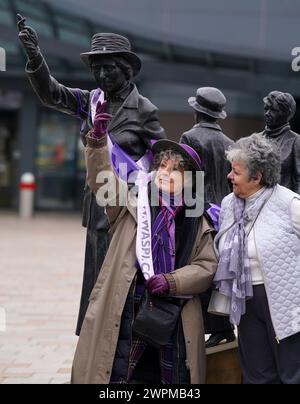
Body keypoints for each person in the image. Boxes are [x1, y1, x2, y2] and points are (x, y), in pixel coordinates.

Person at [17, 14, 165, 335]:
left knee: (124, 282)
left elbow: (163, 162)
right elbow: (51, 94)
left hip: (128, 213)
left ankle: (122, 342)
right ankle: (95, 340)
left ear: (125, 69)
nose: (100, 74)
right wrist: (35, 57)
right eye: (96, 67)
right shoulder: (90, 102)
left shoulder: (144, 110)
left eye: (108, 67)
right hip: (97, 210)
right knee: (96, 281)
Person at [71, 101, 218, 384]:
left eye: (174, 170)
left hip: (174, 318)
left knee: (169, 379)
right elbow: (102, 183)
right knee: (120, 377)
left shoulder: (198, 219)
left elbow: (206, 266)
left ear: (189, 180)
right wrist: (98, 142)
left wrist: (173, 281)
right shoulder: (130, 203)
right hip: (126, 308)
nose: (163, 172)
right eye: (161, 165)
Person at [213, 133, 300, 384]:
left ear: (257, 176)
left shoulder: (288, 203)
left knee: (291, 373)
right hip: (244, 298)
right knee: (256, 374)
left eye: (236, 172)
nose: (230, 176)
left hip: (285, 301)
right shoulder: (230, 203)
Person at [180, 87, 235, 348]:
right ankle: (222, 326)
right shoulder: (230, 144)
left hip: (195, 213)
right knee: (218, 271)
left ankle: (200, 326)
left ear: (196, 111)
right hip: (222, 215)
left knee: (197, 269)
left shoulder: (189, 137)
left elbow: (185, 182)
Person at [258, 91, 300, 194]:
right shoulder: (256, 139)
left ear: (285, 113)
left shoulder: (295, 141)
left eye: (273, 110)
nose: (267, 113)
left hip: (283, 205)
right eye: (266, 109)